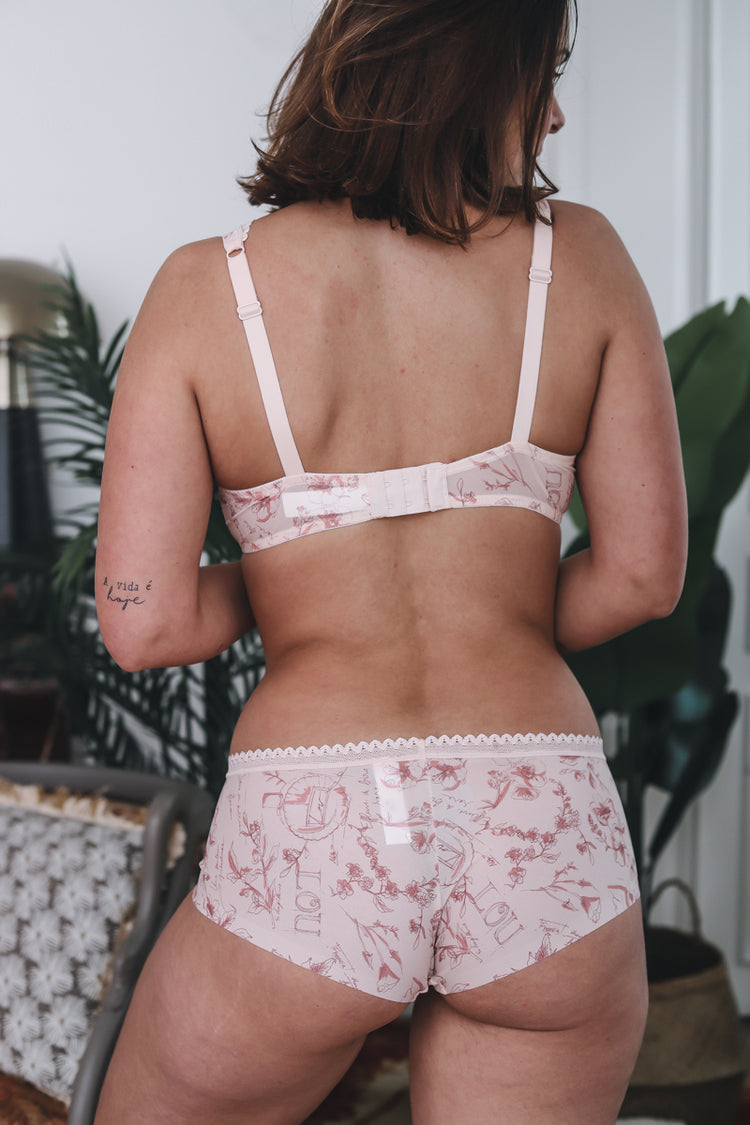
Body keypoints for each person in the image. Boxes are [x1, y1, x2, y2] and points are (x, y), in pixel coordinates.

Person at [94, 1, 687, 1121]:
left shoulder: (204, 290)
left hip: (317, 832)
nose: (556, 114)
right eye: (541, 76)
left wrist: (303, 587)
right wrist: (491, 606)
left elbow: (145, 620)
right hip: (539, 828)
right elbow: (643, 575)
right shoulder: (584, 259)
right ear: (463, 79)